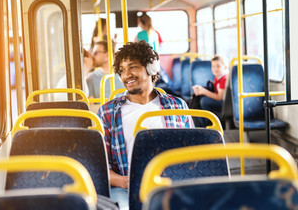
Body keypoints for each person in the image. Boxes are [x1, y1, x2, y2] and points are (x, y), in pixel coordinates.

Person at [97, 41, 194, 209]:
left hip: (170, 185)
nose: (126, 75)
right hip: (125, 188)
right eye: (122, 70)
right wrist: (123, 181)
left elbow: (192, 154)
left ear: (151, 68)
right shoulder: (108, 112)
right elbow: (100, 165)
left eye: (132, 67)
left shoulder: (177, 106)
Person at [192, 55, 229, 125]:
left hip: (225, 104)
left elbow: (219, 97)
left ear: (225, 67)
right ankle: (201, 121)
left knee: (204, 101)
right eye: (213, 66)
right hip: (220, 101)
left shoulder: (224, 79)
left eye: (218, 66)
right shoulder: (217, 77)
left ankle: (208, 123)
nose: (215, 69)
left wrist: (204, 91)